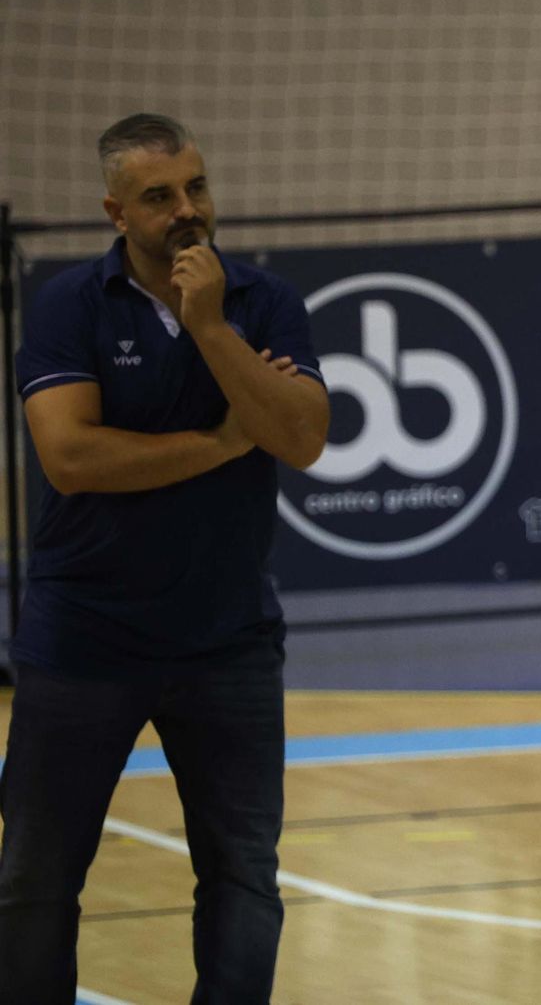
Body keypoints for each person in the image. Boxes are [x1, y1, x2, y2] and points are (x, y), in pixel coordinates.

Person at [0, 113, 330, 1004]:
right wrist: (223, 444)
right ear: (116, 212)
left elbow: (300, 439)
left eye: (196, 189)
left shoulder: (262, 301)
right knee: (34, 884)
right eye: (159, 198)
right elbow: (72, 458)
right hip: (83, 643)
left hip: (228, 642)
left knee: (243, 882)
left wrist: (211, 326)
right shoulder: (69, 304)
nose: (187, 211)